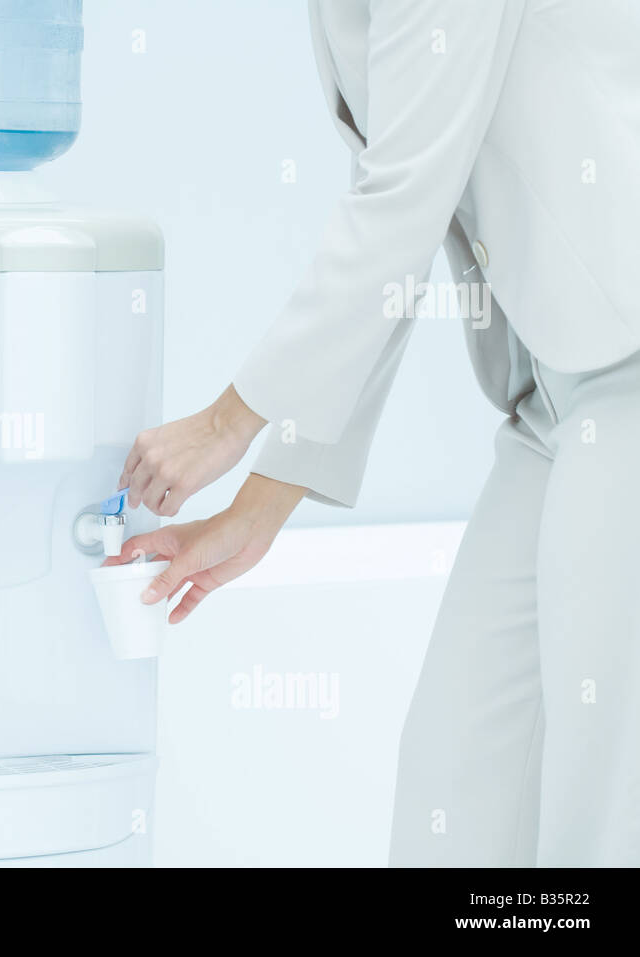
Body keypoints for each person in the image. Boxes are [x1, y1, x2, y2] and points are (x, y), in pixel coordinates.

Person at [110, 0, 640, 866]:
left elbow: (401, 205)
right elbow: (403, 228)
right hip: (552, 401)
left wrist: (223, 425)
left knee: (602, 813)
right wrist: (259, 506)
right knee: (456, 795)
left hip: (627, 366)